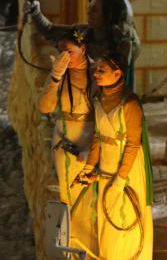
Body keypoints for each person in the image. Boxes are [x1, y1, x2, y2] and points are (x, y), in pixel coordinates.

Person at [75, 52, 153, 260]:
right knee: (106, 217)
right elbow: (98, 137)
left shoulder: (130, 104)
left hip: (127, 169)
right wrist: (89, 168)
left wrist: (121, 179)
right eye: (96, 69)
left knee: (125, 215)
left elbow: (133, 144)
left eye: (102, 70)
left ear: (117, 73)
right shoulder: (99, 99)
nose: (96, 73)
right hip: (107, 166)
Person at [37, 31, 96, 254]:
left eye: (69, 52)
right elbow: (44, 107)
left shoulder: (97, 72)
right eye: (61, 51)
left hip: (91, 136)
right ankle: (70, 247)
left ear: (84, 50)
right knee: (68, 195)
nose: (65, 57)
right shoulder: (61, 74)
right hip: (66, 136)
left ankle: (90, 247)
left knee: (90, 195)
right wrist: (55, 76)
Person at [27, 0, 140, 84]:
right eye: (89, 9)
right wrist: (36, 12)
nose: (88, 13)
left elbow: (119, 75)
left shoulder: (121, 42)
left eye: (94, 10)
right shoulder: (81, 33)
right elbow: (50, 30)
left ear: (108, 15)